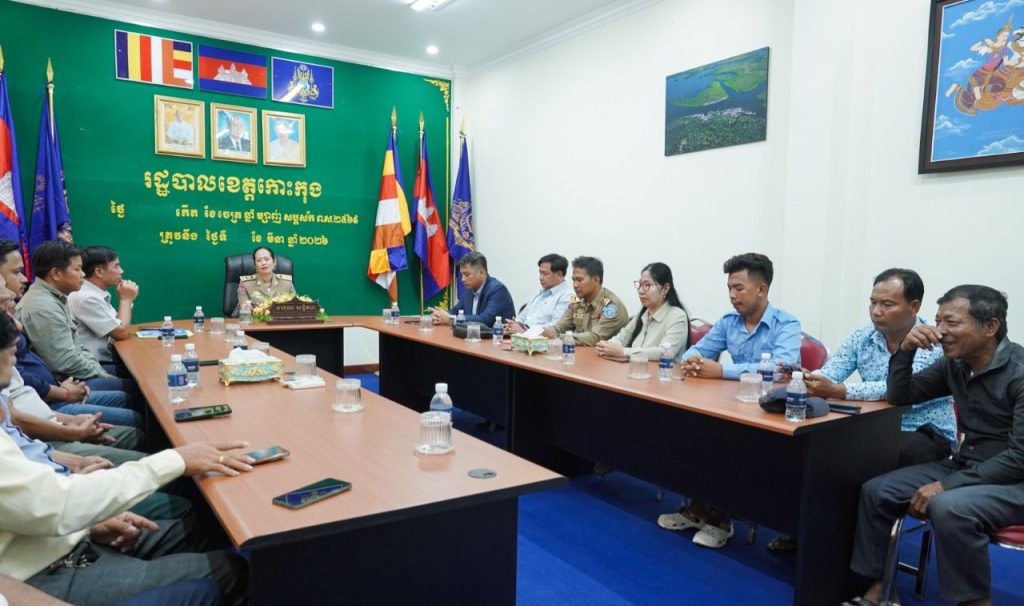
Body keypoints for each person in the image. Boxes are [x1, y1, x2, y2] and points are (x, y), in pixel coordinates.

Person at [0, 312, 254, 605]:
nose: (17, 324)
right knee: (231, 571)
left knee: (195, 530)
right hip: (47, 571)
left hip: (56, 539)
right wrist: (176, 460)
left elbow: (37, 502)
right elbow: (58, 505)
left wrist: (86, 524)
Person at [850, 285, 1024, 606]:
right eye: (938, 321)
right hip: (968, 465)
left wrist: (947, 485)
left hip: (1014, 479)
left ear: (990, 326)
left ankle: (974, 602)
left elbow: (1019, 458)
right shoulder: (955, 365)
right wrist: (905, 352)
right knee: (877, 490)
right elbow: (901, 396)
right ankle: (881, 588)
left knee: (949, 505)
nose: (940, 331)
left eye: (952, 323)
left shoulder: (1020, 372)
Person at [660, 252, 801, 549]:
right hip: (734, 404)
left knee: (724, 441)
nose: (732, 295)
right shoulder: (728, 322)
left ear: (761, 289)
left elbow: (781, 369)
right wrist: (694, 362)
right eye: (729, 288)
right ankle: (698, 508)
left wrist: (722, 370)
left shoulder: (786, 324)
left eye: (739, 288)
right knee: (691, 429)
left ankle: (721, 519)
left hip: (770, 413)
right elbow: (695, 352)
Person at [802, 268, 956, 466]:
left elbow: (901, 389)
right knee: (814, 448)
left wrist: (839, 390)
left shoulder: (932, 342)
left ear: (914, 307)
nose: (876, 311)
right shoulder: (863, 337)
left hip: (922, 430)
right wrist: (809, 379)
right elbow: (831, 372)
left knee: (863, 458)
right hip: (873, 425)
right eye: (873, 302)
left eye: (887, 304)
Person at [595, 262, 691, 360]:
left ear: (665, 289)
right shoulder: (643, 313)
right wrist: (607, 345)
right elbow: (622, 337)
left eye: (647, 285)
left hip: (662, 369)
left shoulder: (677, 316)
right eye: (640, 285)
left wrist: (622, 352)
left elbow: (664, 352)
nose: (640, 291)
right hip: (636, 367)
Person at [68, 246, 139, 364]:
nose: (121, 271)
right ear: (99, 272)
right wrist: (126, 300)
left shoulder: (95, 293)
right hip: (95, 364)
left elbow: (117, 323)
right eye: (116, 266)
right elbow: (121, 333)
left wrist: (127, 300)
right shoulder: (87, 297)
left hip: (106, 359)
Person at [542, 256, 629, 345]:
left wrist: (556, 336)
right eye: (573, 280)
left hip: (605, 352)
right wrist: (542, 332)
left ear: (596, 280)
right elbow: (560, 327)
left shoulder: (611, 306)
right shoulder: (577, 302)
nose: (575, 285)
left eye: (579, 280)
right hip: (583, 351)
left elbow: (595, 338)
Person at [431, 251, 515, 327]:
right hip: (473, 336)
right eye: (462, 275)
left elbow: (485, 320)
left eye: (467, 274)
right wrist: (440, 315)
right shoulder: (469, 289)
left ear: (482, 272)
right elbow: (456, 311)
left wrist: (451, 319)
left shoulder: (497, 290)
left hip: (497, 338)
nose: (463, 279)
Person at [505, 254, 574, 335]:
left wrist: (526, 331)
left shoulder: (567, 296)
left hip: (544, 340)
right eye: (540, 273)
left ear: (559, 274)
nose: (540, 278)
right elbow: (522, 316)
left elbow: (556, 327)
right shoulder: (540, 293)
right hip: (524, 335)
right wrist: (514, 324)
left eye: (545, 274)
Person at [236, 246, 296, 313]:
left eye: (266, 259)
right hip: (256, 319)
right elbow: (245, 311)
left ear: (274, 262)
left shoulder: (286, 283)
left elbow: (294, 307)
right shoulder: (245, 284)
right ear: (255, 265)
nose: (263, 263)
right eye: (259, 260)